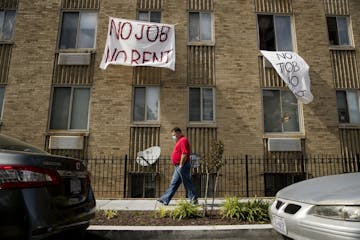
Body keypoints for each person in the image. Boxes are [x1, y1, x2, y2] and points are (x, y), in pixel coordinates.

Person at [157, 127, 198, 205]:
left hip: (182, 166)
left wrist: (181, 165)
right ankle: (165, 199)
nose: (173, 137)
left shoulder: (183, 140)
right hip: (179, 166)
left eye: (174, 135)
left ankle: (194, 200)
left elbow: (184, 154)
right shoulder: (180, 141)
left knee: (187, 183)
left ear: (178, 133)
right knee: (174, 183)